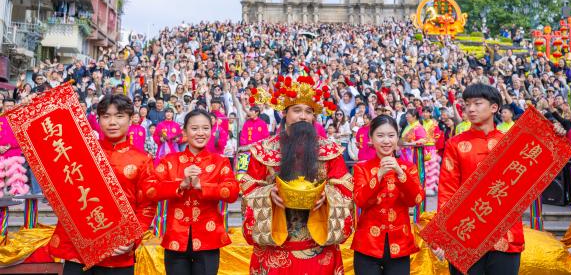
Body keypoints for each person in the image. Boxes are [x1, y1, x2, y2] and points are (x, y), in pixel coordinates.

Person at [435, 84, 556, 274]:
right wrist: (443, 235)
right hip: (466, 232)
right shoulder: (455, 145)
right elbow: (447, 190)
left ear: (494, 107)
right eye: (467, 104)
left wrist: (556, 134)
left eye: (477, 103)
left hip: (505, 234)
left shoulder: (512, 143)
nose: (471, 109)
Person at [241, 76, 353, 274]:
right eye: (297, 110)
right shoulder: (264, 150)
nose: (303, 116)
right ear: (285, 113)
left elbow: (345, 187)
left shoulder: (330, 150)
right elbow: (248, 187)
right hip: (275, 245)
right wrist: (268, 194)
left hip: (318, 245)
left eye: (308, 111)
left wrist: (327, 196)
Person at [49, 95, 156, 275]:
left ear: (131, 119)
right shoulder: (80, 152)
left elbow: (147, 206)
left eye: (119, 116)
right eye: (106, 116)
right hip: (79, 249)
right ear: (98, 120)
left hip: (118, 252)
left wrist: (132, 238)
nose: (112, 122)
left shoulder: (142, 160)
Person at [144, 109, 239, 275]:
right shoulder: (170, 161)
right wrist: (180, 184)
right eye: (194, 128)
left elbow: (232, 192)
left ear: (211, 130)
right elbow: (149, 189)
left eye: (205, 128)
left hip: (209, 239)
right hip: (176, 239)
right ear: (185, 132)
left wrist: (201, 186)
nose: (200, 133)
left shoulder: (220, 162)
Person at [352, 115, 425, 275]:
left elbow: (416, 199)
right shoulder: (361, 168)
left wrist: (400, 173)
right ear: (371, 138)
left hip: (400, 243)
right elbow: (360, 201)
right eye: (380, 135)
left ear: (397, 138)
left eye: (391, 135)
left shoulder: (408, 168)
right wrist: (378, 176)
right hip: (367, 245)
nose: (386, 141)